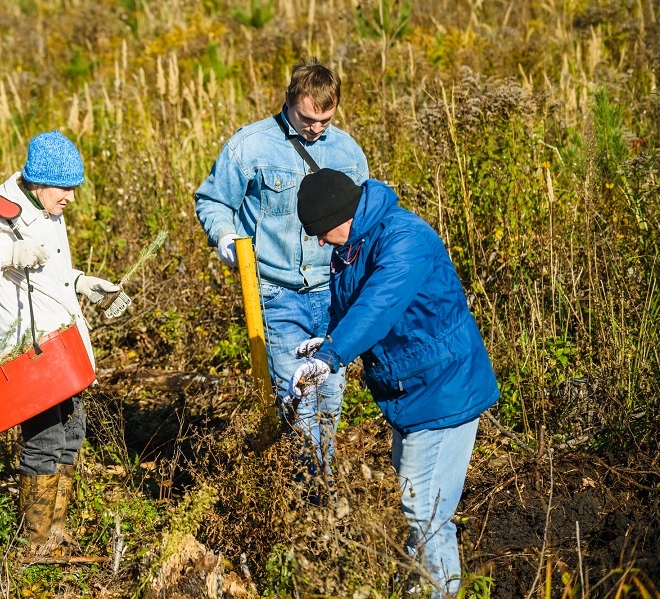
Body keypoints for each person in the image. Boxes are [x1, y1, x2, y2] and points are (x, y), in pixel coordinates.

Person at [292, 169, 500, 597]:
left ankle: (439, 591)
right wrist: (326, 339)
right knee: (418, 503)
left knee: (424, 509)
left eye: (318, 231)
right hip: (411, 391)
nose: (317, 242)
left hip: (443, 388)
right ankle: (421, 588)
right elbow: (351, 307)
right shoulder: (353, 244)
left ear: (341, 217)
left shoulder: (406, 239)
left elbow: (379, 305)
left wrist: (331, 357)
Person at [0, 130, 129, 555]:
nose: (71, 199)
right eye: (66, 189)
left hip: (61, 350)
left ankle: (55, 531)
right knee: (44, 443)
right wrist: (5, 256)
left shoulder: (49, 208)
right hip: (26, 356)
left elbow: (53, 271)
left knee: (73, 430)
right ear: (38, 181)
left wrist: (82, 282)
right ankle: (32, 545)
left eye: (75, 189)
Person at [194, 58, 369, 491]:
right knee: (298, 397)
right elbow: (212, 201)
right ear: (288, 100)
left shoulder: (347, 151)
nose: (315, 129)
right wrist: (226, 239)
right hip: (275, 291)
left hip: (332, 290)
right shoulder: (249, 146)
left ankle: (319, 490)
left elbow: (362, 218)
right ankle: (305, 496)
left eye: (325, 120)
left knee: (329, 395)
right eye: (307, 119)